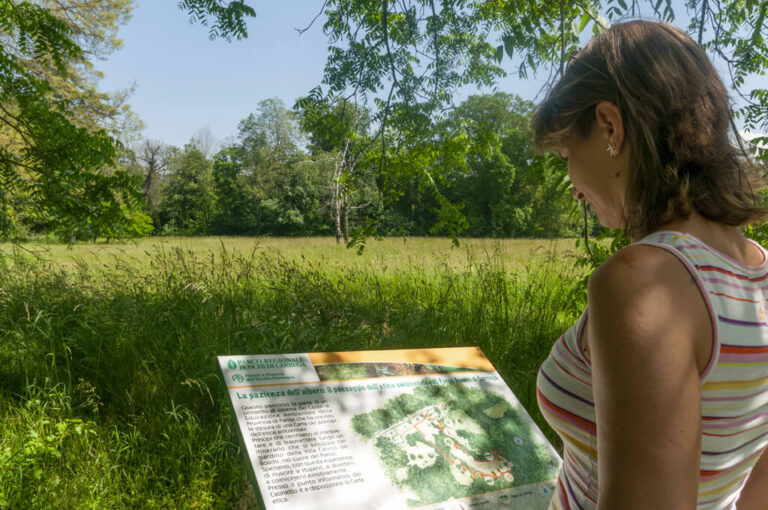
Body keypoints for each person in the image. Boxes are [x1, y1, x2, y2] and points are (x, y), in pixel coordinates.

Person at [532, 20, 768, 509]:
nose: (573, 184)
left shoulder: (642, 284)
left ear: (609, 126)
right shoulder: (759, 277)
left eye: (566, 154)